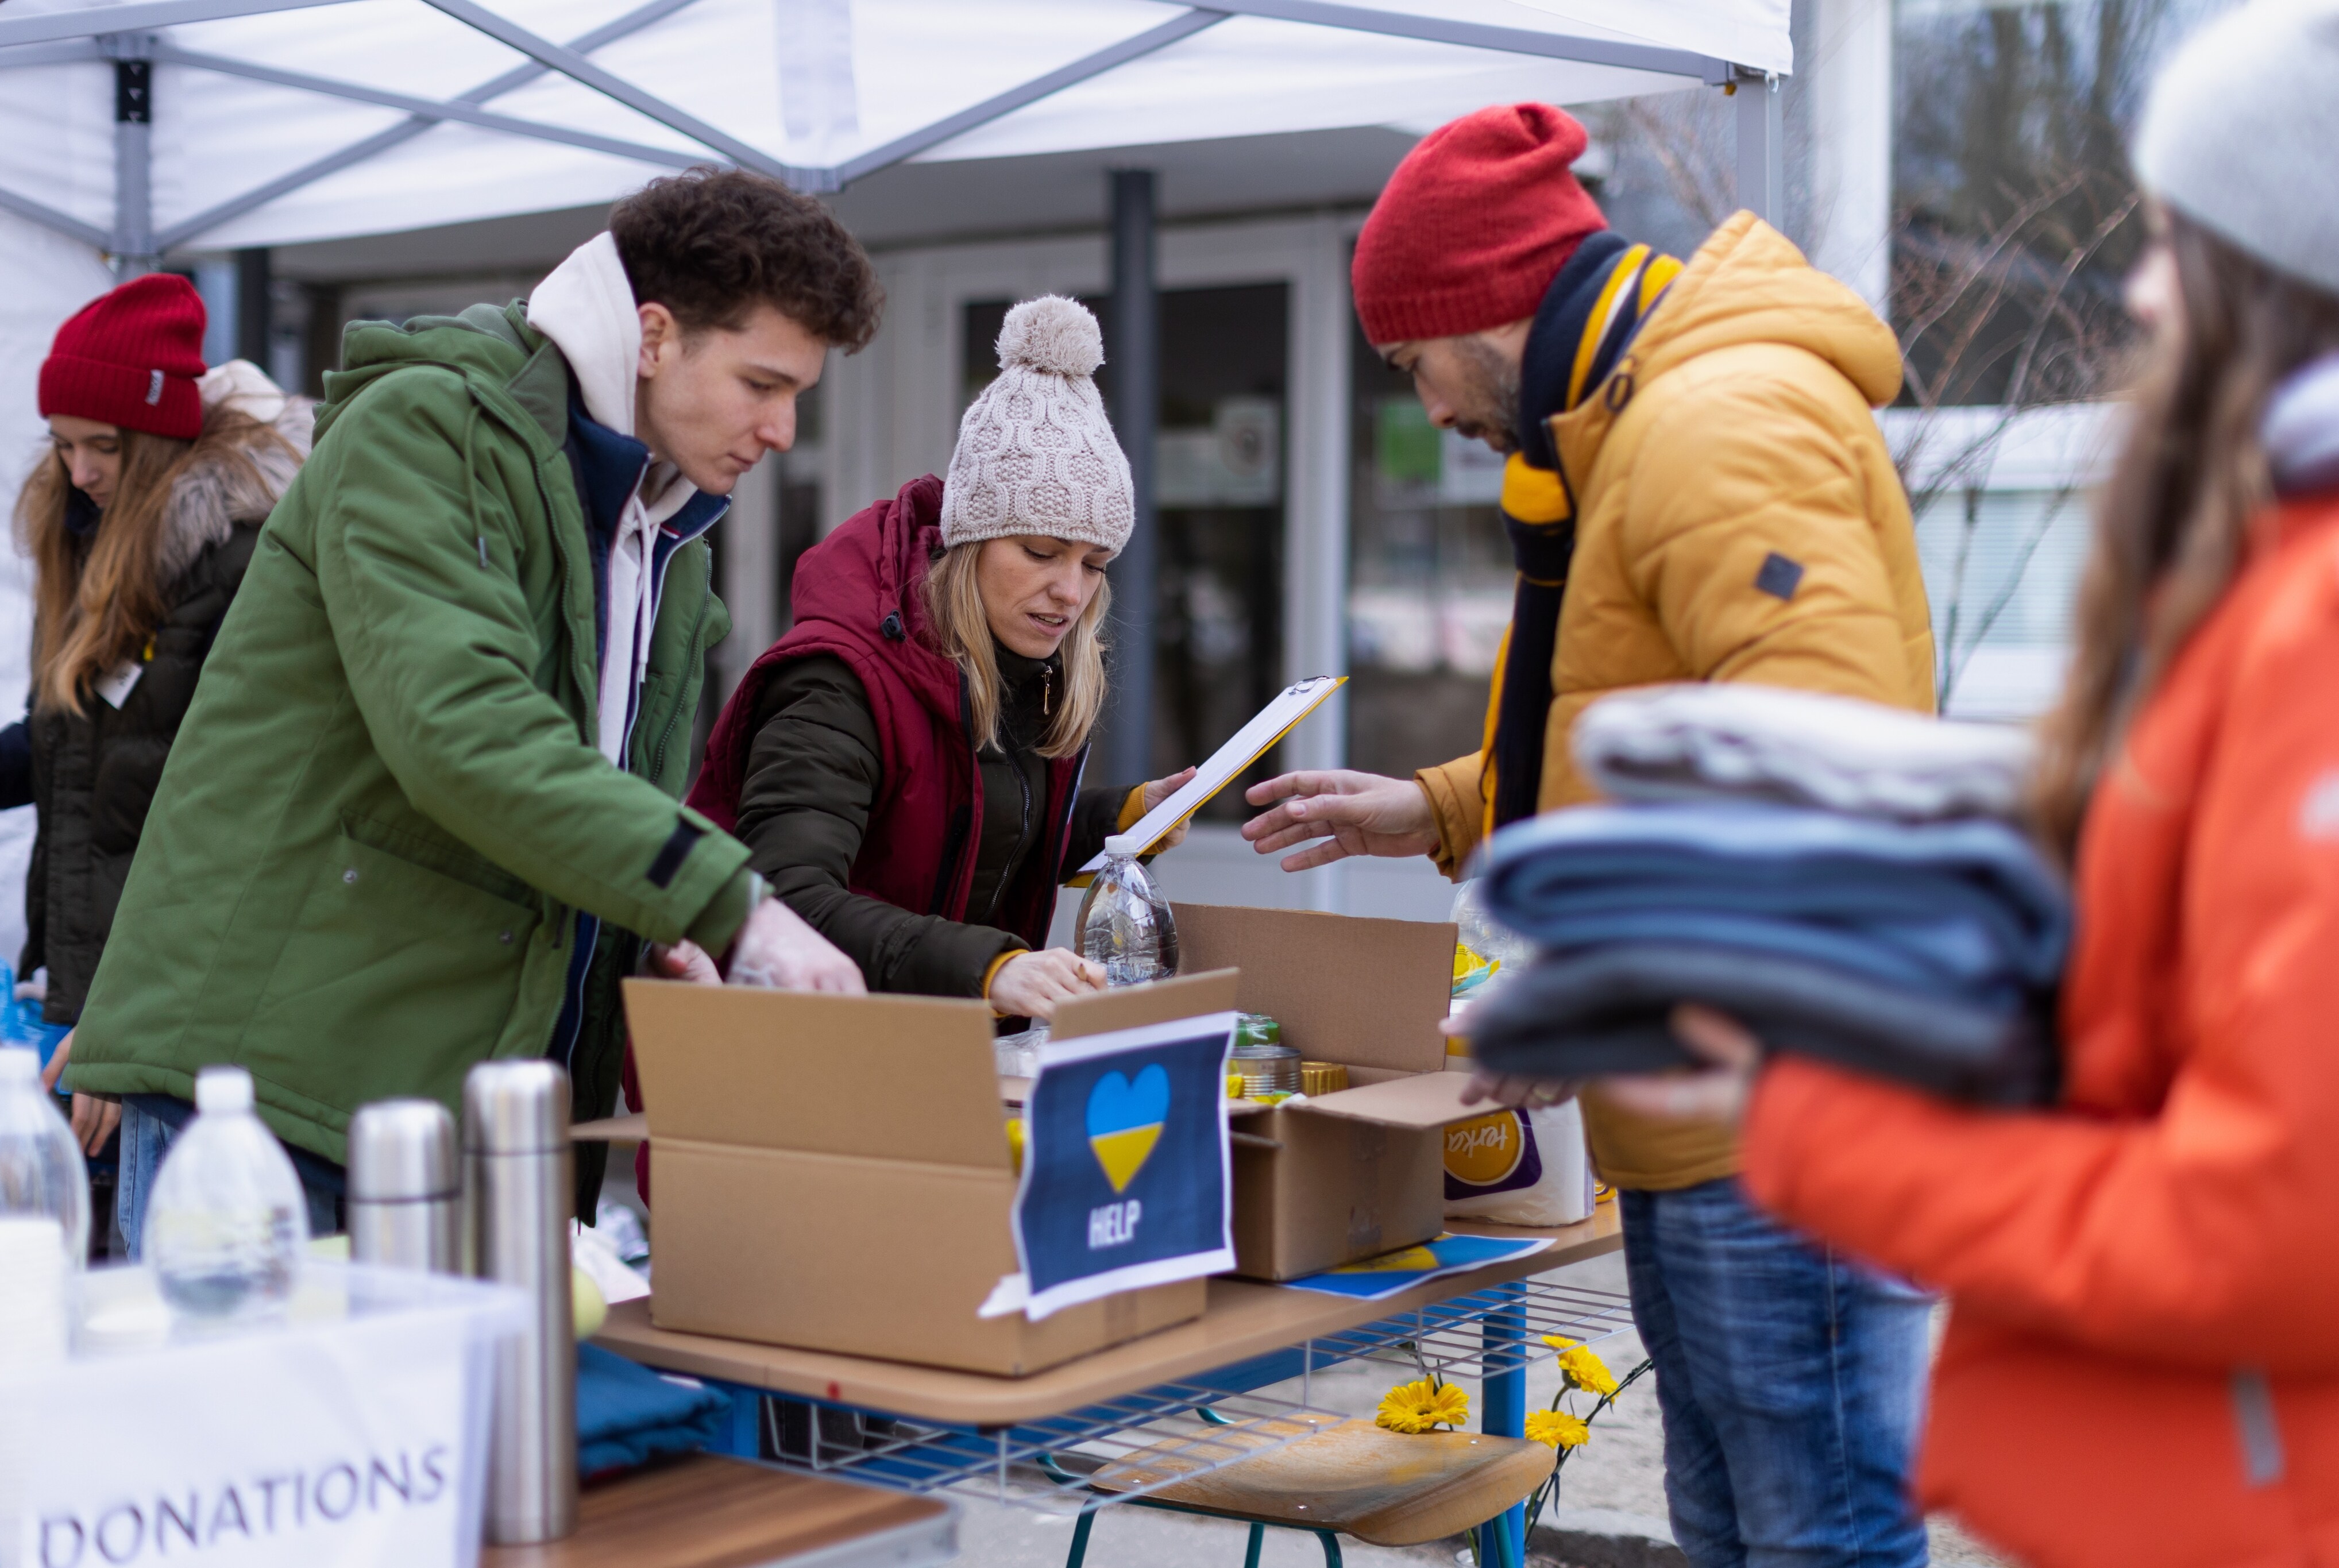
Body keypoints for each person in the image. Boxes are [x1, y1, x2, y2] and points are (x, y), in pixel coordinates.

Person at [1591, 6, 2339, 1566]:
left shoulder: (2311, 625)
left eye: (2177, 248)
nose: (2136, 296)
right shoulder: (2259, 586)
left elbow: (2265, 1222)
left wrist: (1806, 1113)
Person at [1241, 107, 1938, 1566]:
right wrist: (1436, 807)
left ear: (1482, 311)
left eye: (1410, 359)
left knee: (1812, 1536)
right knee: (1743, 1530)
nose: (1426, 403)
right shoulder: (1635, 436)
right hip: (1707, 1116)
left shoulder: (1714, 421)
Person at [64, 168, 881, 1247]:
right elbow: (463, 731)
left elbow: (577, 806)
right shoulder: (428, 431)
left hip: (451, 1104)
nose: (781, 431)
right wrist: (730, 903)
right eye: (762, 384)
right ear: (652, 334)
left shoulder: (664, 528)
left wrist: (651, 931)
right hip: (273, 1099)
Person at [688, 295, 1192, 1021]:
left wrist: (1122, 823)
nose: (1070, 591)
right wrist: (989, 970)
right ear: (967, 546)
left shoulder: (1022, 667)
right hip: (802, 1068)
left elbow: (959, 830)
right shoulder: (836, 682)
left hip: (929, 1054)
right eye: (1042, 553)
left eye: (1095, 564)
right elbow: (782, 898)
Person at [0, 275, 312, 1185]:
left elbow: (231, 822)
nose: (78, 471)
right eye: (62, 447)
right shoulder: (88, 539)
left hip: (168, 1016)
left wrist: (132, 1022)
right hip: (82, 988)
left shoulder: (238, 563)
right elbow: (68, 753)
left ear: (165, 438)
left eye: (103, 446)